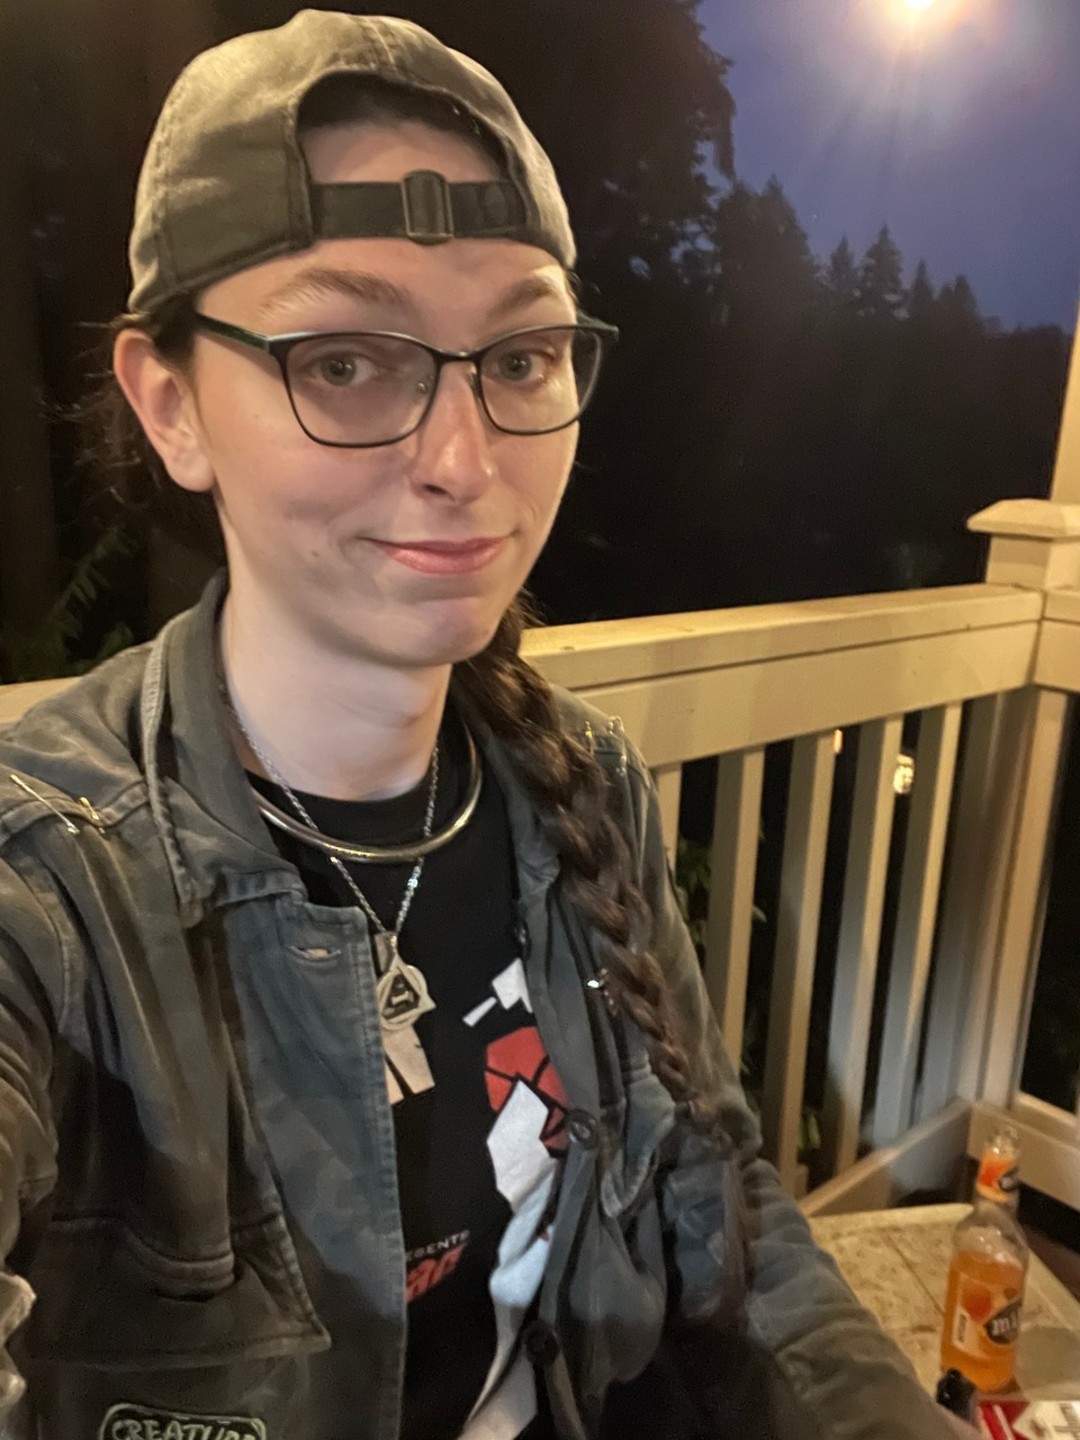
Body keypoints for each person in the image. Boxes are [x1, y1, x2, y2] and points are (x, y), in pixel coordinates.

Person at [0, 11, 974, 1439]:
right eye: (345, 360)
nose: (463, 462)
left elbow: (722, 1203)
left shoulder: (585, 784)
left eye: (519, 357)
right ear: (171, 404)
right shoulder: (53, 885)